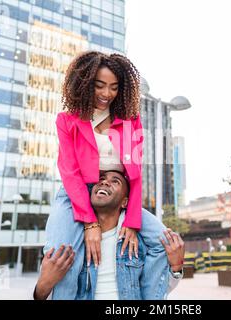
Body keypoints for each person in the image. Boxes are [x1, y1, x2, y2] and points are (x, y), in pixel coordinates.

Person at [50, 51, 170, 299]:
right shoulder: (67, 120)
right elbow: (69, 172)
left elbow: (135, 174)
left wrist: (132, 221)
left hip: (116, 192)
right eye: (100, 85)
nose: (107, 94)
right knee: (62, 256)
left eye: (114, 87)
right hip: (78, 193)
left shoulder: (130, 121)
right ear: (85, 83)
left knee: (164, 243)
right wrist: (89, 222)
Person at [35, 171, 185, 300]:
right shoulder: (72, 241)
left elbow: (155, 288)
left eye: (115, 181)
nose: (105, 182)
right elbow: (50, 293)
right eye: (101, 179)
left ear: (125, 202)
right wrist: (42, 287)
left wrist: (176, 268)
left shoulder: (138, 243)